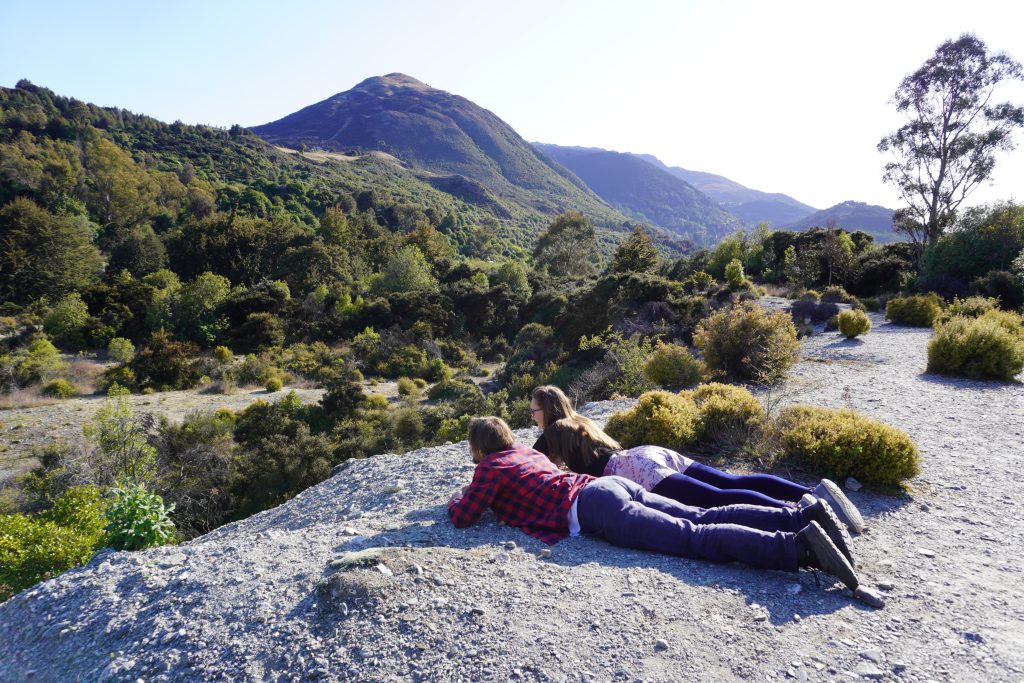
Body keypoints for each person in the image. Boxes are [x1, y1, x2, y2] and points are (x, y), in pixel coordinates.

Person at [448, 416, 860, 590]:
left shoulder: (491, 467)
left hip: (595, 506)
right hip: (609, 485)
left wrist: (456, 500)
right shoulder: (525, 452)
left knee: (693, 536)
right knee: (706, 512)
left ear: (478, 446)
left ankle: (798, 549)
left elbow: (465, 517)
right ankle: (798, 516)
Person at [529, 385, 865, 534]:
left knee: (717, 499)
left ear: (546, 410)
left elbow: (529, 466)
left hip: (635, 471)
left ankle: (801, 514)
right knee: (731, 481)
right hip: (647, 454)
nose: (532, 418)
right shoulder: (581, 421)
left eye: (533, 411)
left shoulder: (552, 433)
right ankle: (812, 492)